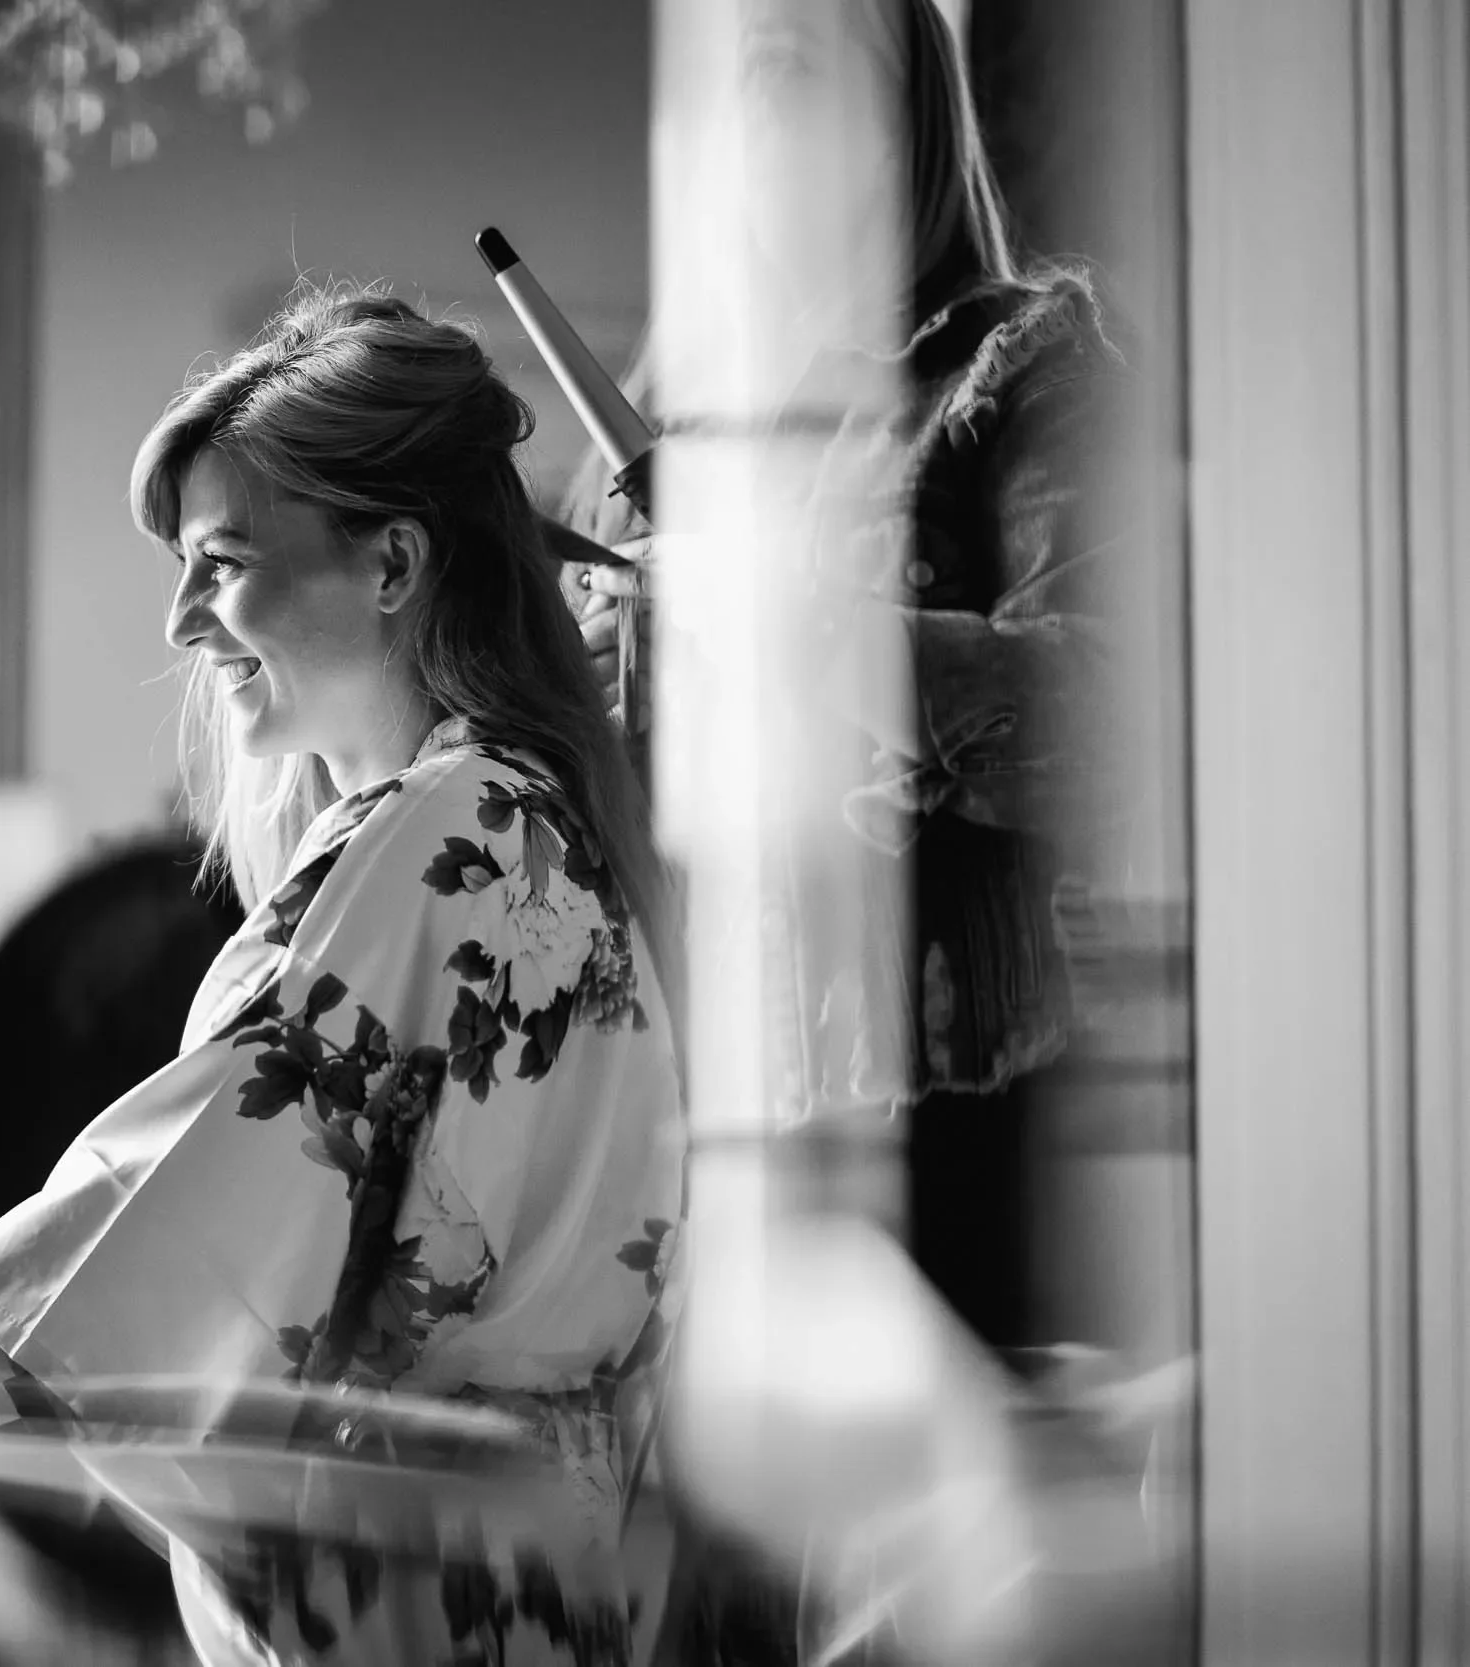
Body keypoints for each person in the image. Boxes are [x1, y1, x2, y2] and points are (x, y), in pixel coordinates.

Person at [0, 285, 688, 1667]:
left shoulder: (458, 835)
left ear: (393, 561)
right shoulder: (521, 816)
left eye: (222, 560)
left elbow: (184, 1195)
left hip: (437, 1609)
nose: (180, 622)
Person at [559, 1, 1140, 1658]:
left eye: (804, 61)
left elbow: (1103, 713)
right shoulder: (657, 442)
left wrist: (802, 628)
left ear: (909, 103)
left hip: (944, 1136)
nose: (760, 104)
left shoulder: (1018, 359)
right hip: (685, 1153)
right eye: (735, 71)